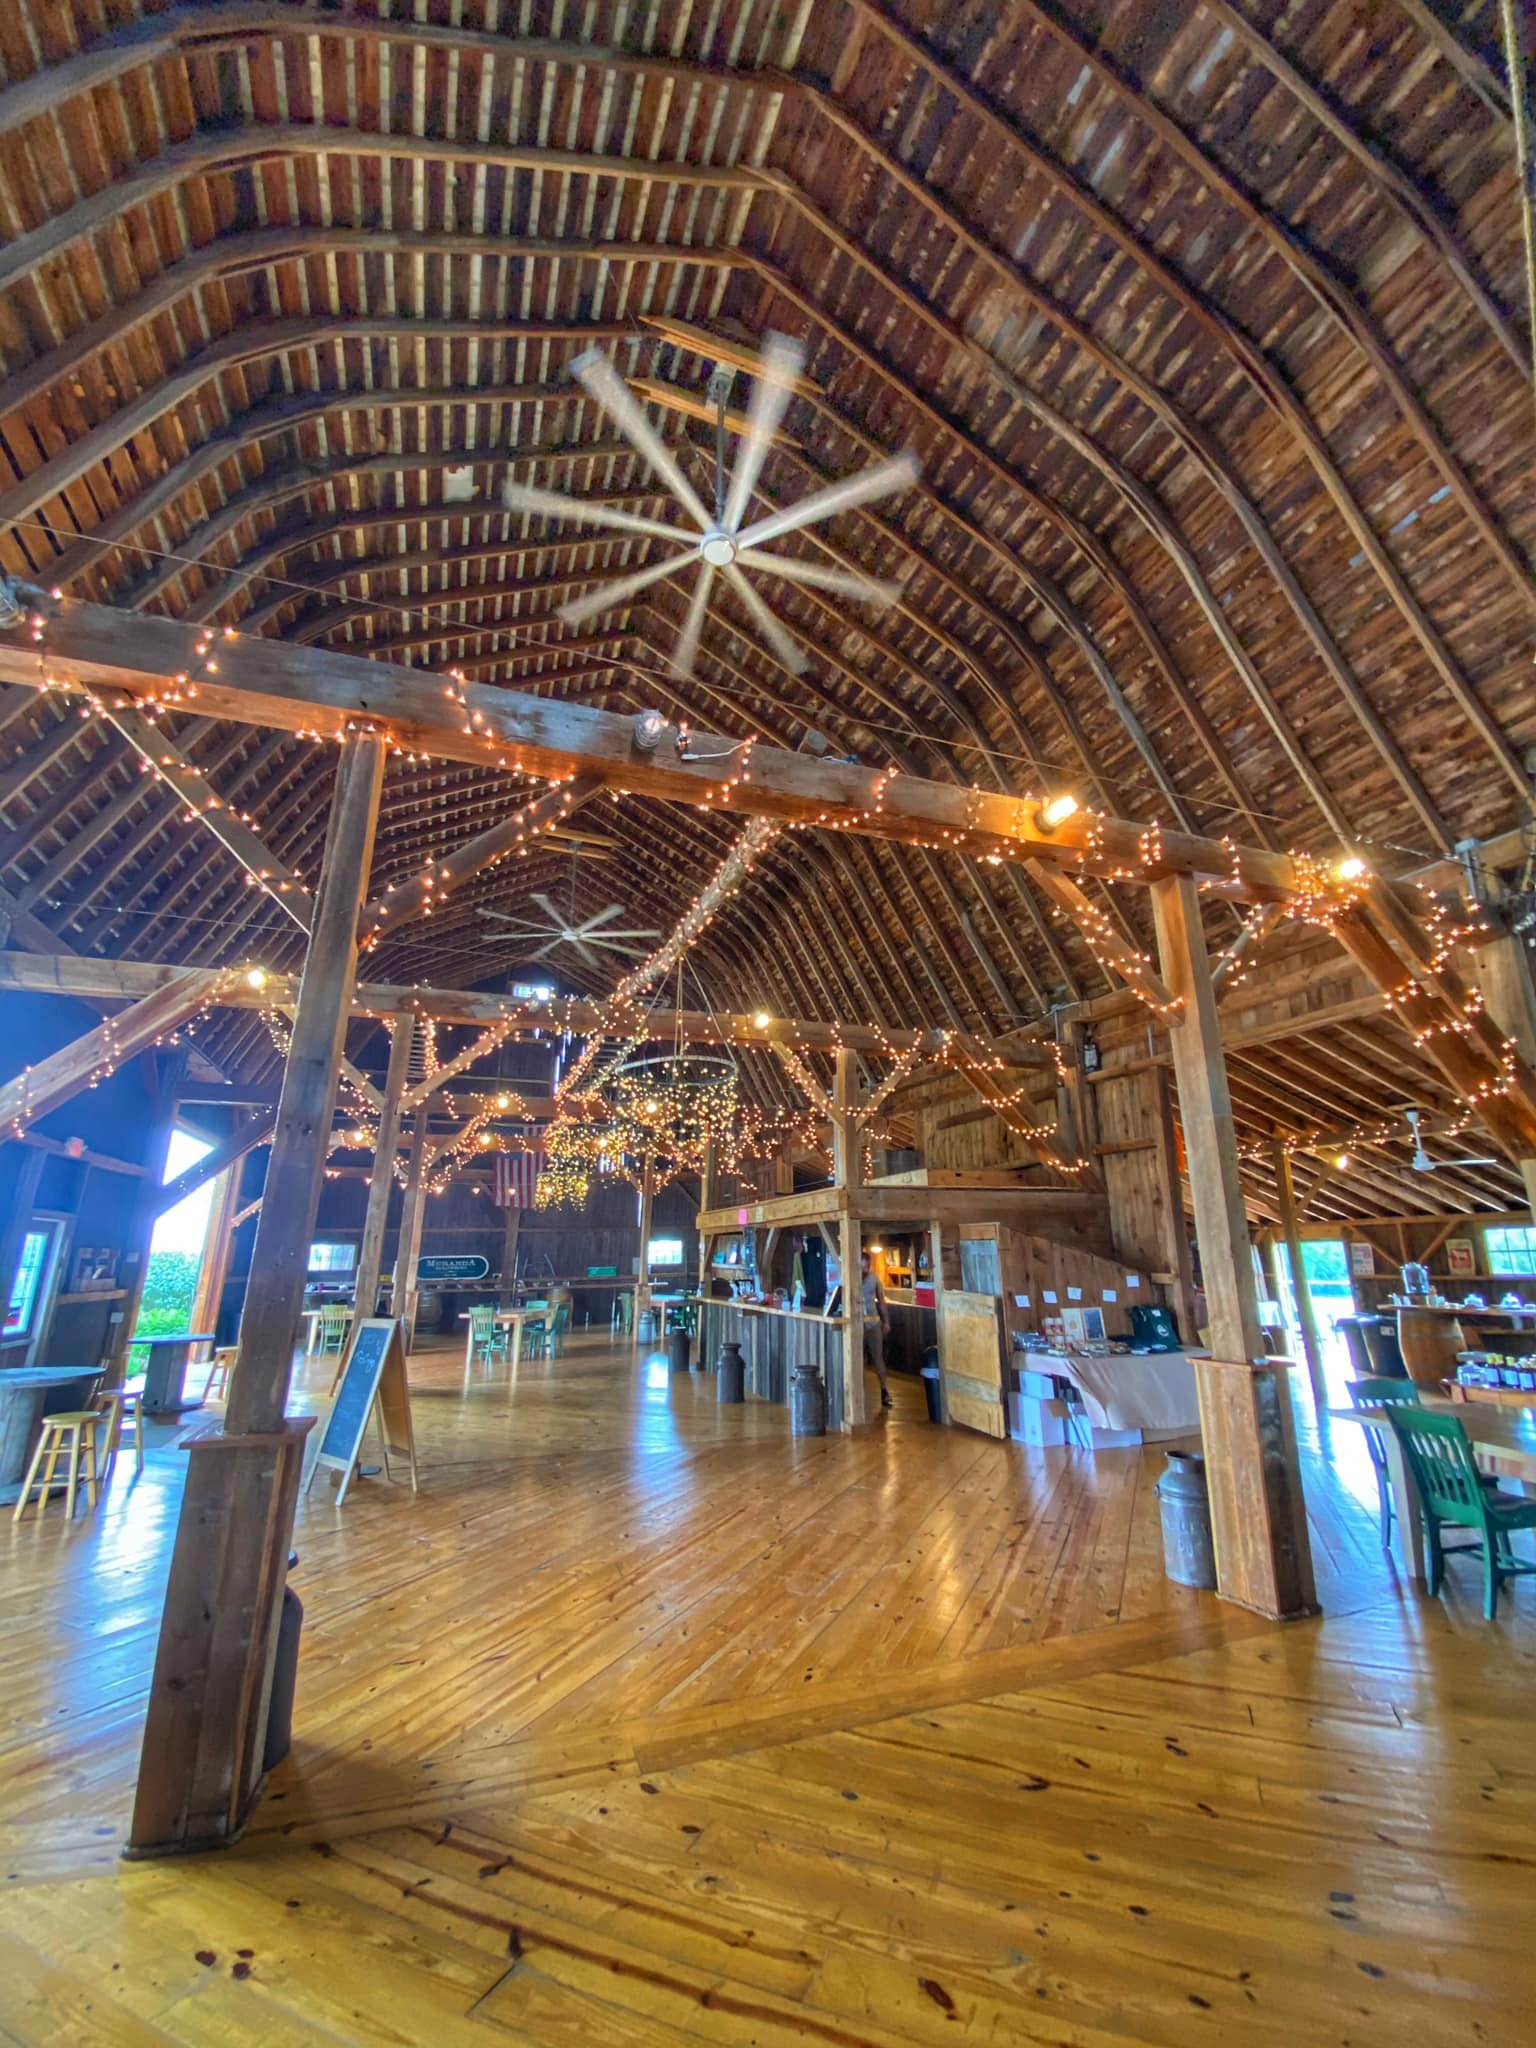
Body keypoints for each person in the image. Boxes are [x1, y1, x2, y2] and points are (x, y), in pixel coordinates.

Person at [861, 1250, 892, 1411]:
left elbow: (881, 1300)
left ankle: (884, 1390)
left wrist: (886, 1321)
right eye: (863, 1266)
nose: (865, 1269)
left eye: (867, 1266)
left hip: (873, 1322)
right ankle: (859, 1392)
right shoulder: (850, 1277)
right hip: (857, 1323)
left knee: (878, 1358)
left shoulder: (874, 1278)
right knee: (859, 1359)